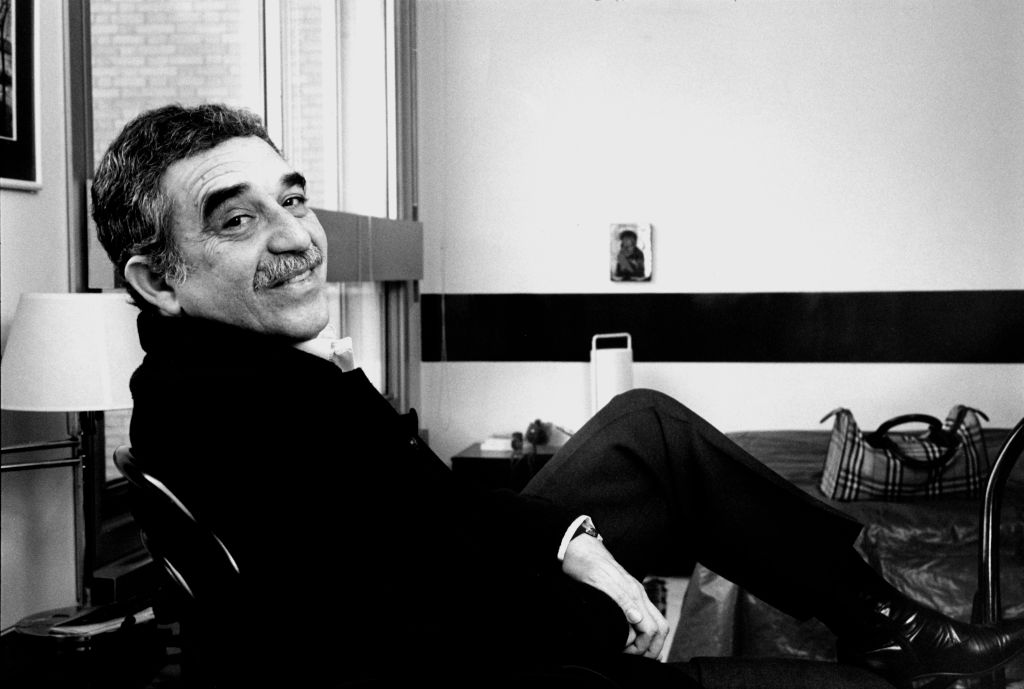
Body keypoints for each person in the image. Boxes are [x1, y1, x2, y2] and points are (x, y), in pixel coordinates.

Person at [92, 103, 1023, 688]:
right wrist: (614, 599)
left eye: (293, 200)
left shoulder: (240, 374)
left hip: (470, 605)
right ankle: (892, 632)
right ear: (157, 278)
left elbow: (431, 504)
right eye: (239, 218)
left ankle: (887, 618)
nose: (296, 236)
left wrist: (572, 538)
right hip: (485, 660)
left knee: (643, 425)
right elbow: (420, 618)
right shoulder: (232, 413)